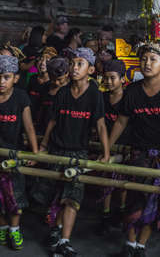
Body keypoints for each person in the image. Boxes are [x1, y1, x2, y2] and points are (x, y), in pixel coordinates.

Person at [109, 41, 160, 257]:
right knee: (135, 198)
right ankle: (130, 243)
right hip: (139, 152)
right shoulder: (132, 91)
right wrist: (106, 150)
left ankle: (141, 245)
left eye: (153, 60)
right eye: (144, 59)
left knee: (155, 201)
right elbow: (120, 122)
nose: (147, 63)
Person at [33, 48, 110, 256]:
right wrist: (43, 145)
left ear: (91, 69)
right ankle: (56, 232)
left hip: (78, 152)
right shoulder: (63, 93)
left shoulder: (95, 94)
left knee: (72, 197)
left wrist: (105, 153)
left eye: (80, 64)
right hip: (57, 149)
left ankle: (64, 240)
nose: (74, 68)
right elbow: (52, 121)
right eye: (73, 63)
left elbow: (101, 125)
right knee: (56, 194)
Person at [0, 55, 38, 251]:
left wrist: (34, 152)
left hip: (14, 154)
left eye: (6, 77)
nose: (1, 82)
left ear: (15, 78)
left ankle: (14, 228)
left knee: (16, 196)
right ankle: (3, 226)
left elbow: (29, 126)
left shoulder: (21, 97)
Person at [100, 59, 130, 233]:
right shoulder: (102, 98)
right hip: (105, 146)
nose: (109, 82)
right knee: (106, 180)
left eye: (112, 78)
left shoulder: (128, 98)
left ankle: (121, 212)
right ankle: (105, 214)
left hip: (124, 145)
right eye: (106, 78)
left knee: (123, 181)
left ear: (122, 79)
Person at [36, 57, 70, 135]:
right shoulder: (44, 88)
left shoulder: (70, 90)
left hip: (62, 133)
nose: (56, 83)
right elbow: (40, 110)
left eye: (60, 79)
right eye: (53, 79)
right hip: (42, 131)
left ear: (67, 74)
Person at [27, 47, 57, 123]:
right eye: (40, 59)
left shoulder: (54, 83)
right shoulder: (33, 79)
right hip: (30, 120)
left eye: (47, 60)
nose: (42, 63)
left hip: (44, 124)